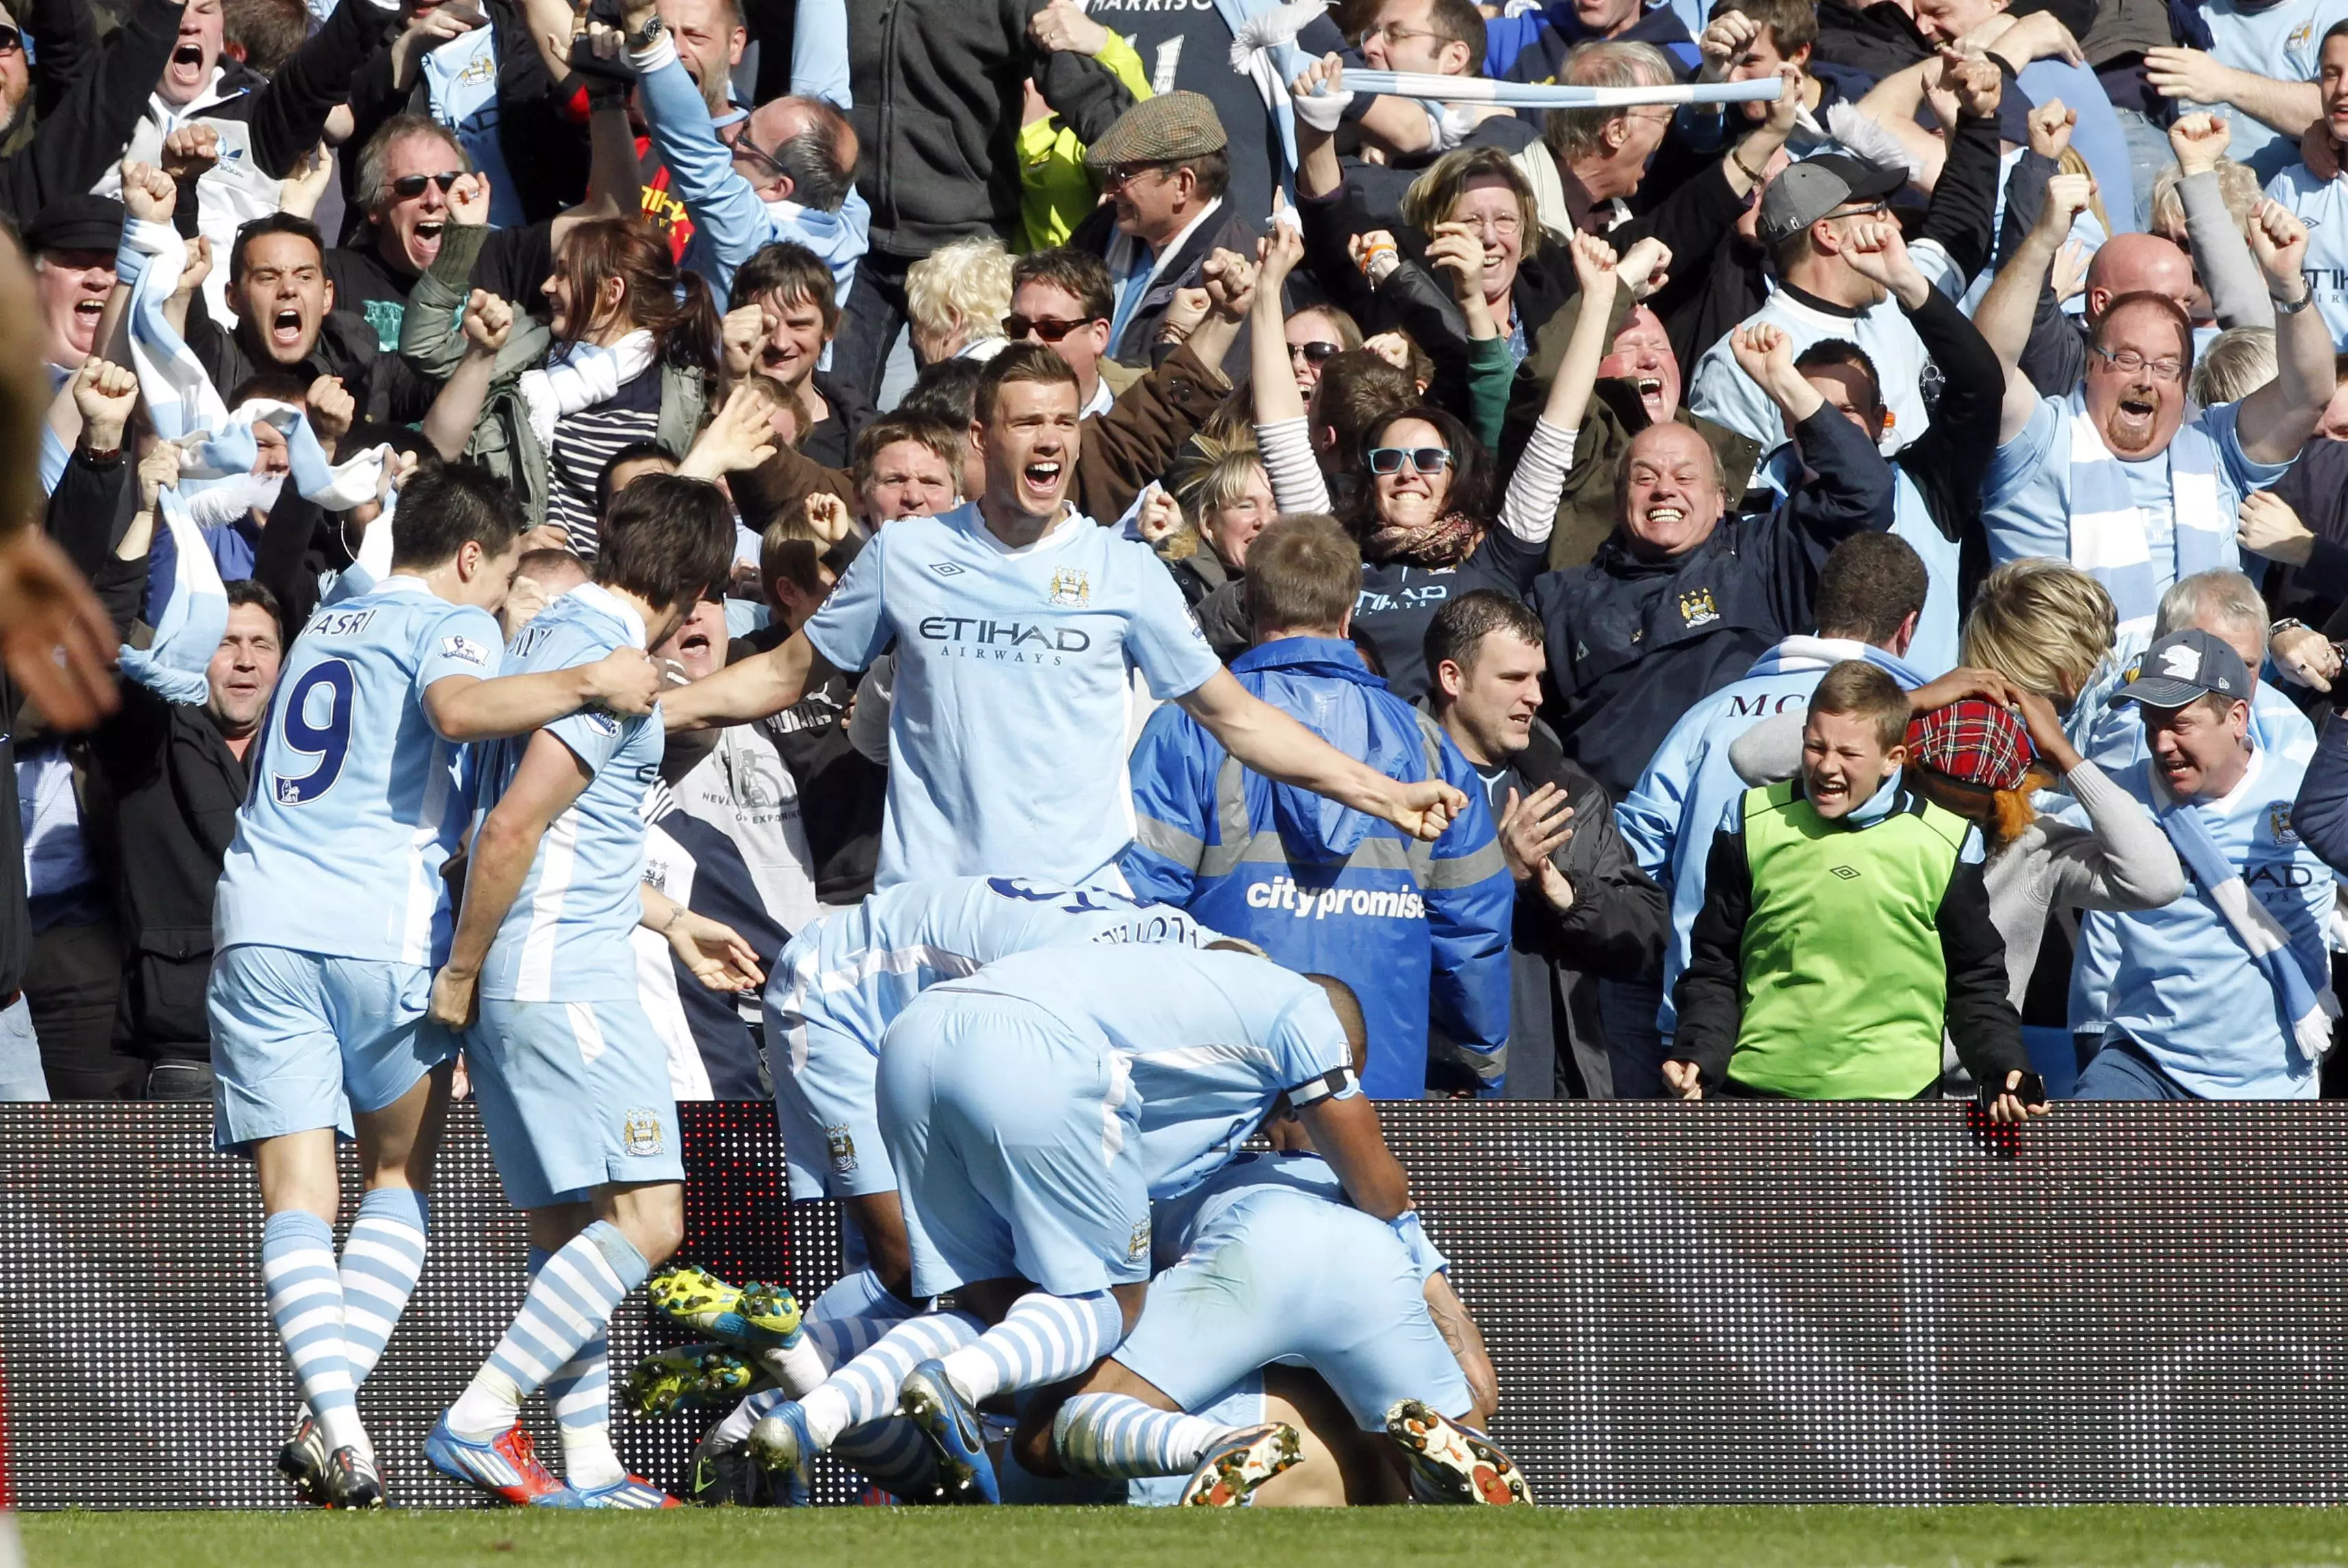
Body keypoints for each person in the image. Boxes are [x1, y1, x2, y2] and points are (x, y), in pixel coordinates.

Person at [203, 464, 668, 1508]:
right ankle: (343, 1424)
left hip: (258, 923)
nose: (505, 604)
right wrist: (587, 683)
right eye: (504, 578)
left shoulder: (328, 617)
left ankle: (342, 1435)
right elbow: (459, 712)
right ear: (471, 560)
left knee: (294, 1200)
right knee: (396, 1186)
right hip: (379, 928)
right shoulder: (450, 625)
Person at [662, 345, 1467, 891]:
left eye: (1063, 422)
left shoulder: (1125, 571)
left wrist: (1384, 795)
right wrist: (654, 708)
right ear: (981, 439)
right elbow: (783, 673)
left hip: (1072, 911)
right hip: (930, 908)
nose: (1049, 440)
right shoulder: (904, 555)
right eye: (1026, 422)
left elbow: (1240, 720)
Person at [750, 944, 1412, 1506]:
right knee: (1111, 1305)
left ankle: (808, 1393)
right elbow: (1378, 1186)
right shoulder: (1305, 1011)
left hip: (911, 1042)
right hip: (1029, 1051)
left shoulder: (1162, 1004)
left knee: (1005, 1313)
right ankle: (968, 1388)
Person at [422, 476, 754, 1508]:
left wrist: (671, 917)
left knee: (572, 1234)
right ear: (700, 591)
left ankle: (593, 1467)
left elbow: (573, 831)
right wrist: (462, 972)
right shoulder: (614, 670)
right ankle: (482, 1414)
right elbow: (514, 825)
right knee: (650, 1222)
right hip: (566, 976)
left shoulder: (545, 627)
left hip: (534, 969)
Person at [1121, 513, 1513, 1100]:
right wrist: (1476, 1068)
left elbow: (1137, 907)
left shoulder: (1188, 729)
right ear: (1350, 612)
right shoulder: (1429, 746)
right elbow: (1475, 930)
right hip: (1382, 1089)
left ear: (1248, 606)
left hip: (1221, 1091)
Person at [1013, 1146, 1529, 1508]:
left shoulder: (1169, 1171)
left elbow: (1112, 1300)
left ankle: (1210, 1443)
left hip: (1248, 1254)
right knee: (1421, 1429)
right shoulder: (1380, 1194)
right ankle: (1441, 1487)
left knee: (1042, 1434)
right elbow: (1481, 1383)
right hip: (1369, 1256)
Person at [1513, 317, 1900, 800]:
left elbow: (1866, 491)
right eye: (1645, 477)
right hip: (1614, 841)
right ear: (1618, 501)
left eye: (1685, 476)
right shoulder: (1558, 599)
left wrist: (1783, 382)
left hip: (1743, 824)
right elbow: (1519, 721)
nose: (1665, 489)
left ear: (1721, 500)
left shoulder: (1764, 558)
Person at [1613, 532, 1931, 1086]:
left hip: (1694, 1045)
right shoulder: (1922, 731)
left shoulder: (1707, 715)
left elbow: (1630, 858)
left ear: (1817, 610)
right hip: (1860, 1058)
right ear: (1908, 627)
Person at [1665, 660, 2043, 1111]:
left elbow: (1974, 983)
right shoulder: (1747, 821)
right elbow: (1715, 966)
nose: (1827, 767)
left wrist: (2001, 1069)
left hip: (1894, 1106)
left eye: (1848, 754)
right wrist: (1697, 1055)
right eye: (1814, 746)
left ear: (1893, 759)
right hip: (1754, 1097)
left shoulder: (1947, 843)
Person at [1977, 174, 2337, 644]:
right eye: (2127, 360)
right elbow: (1986, 364)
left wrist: (2289, 285)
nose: (2146, 380)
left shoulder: (2215, 446)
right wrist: (2044, 239)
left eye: (2167, 367)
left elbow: (2308, 392)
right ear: (2091, 360)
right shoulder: (2041, 440)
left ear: (2186, 378)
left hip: (2212, 696)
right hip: (2069, 699)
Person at [831, 0, 1136, 404]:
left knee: (971, 422)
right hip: (855, 240)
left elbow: (1077, 80)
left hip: (965, 248)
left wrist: (1136, 161)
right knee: (830, 412)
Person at [1424, 590, 1665, 1099]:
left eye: (1538, 678)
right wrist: (1498, 872)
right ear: (1453, 678)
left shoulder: (1568, 794)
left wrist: (1567, 895)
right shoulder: (1392, 787)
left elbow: (1645, 935)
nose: (1534, 696)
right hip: (1432, 1087)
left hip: (1553, 1092)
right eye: (1513, 678)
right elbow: (1378, 929)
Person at [2076, 629, 2336, 1099]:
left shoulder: (2307, 797)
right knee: (2082, 1164)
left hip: (2274, 1082)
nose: (2161, 744)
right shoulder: (2116, 798)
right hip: (2145, 1063)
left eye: (2179, 724)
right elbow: (2020, 825)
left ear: (2237, 718)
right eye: (2151, 724)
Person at [1686, 83, 2002, 465]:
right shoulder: (1744, 361)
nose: (1896, 225)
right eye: (1877, 211)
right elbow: (1731, 501)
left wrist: (1979, 119)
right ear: (1828, 234)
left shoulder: (1898, 292)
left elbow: (1959, 230)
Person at [1069, 92, 1257, 369]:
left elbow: (1218, 399)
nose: (1108, 188)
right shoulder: (1102, 228)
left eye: (1124, 175)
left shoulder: (1234, 280)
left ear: (1182, 185)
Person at [2261, 23, 2348, 348]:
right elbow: (2254, 306)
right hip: (2307, 389)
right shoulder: (2288, 188)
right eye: (2331, 73)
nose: (2342, 88)